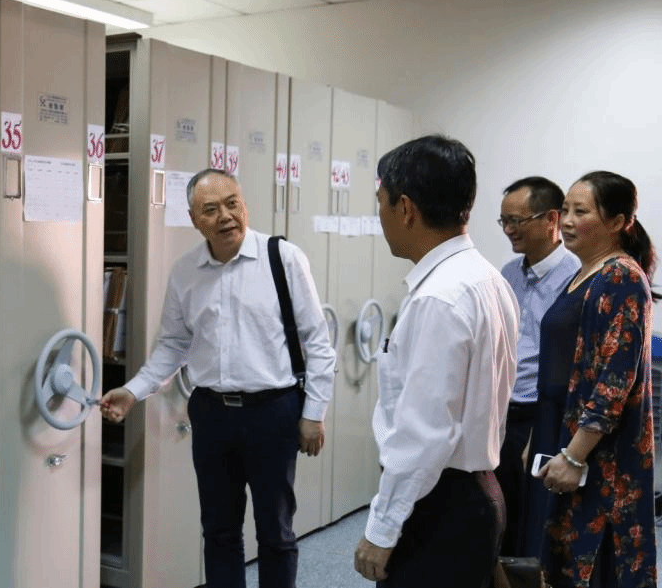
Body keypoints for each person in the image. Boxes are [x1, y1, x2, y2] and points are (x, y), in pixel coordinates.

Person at [99, 168, 336, 588]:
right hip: (212, 414)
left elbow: (317, 341)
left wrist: (313, 413)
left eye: (232, 204)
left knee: (276, 530)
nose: (225, 216)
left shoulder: (283, 258)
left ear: (245, 206)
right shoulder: (185, 272)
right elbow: (173, 345)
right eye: (210, 209)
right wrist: (133, 391)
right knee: (219, 530)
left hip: (274, 411)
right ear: (194, 220)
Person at [353, 135, 519, 587]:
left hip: (439, 503)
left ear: (405, 208)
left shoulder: (439, 298)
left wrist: (382, 528)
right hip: (475, 489)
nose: (381, 216)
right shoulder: (487, 278)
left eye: (381, 203)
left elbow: (424, 433)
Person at [530, 171, 658, 588]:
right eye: (565, 210)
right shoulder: (586, 272)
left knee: (595, 562)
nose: (567, 221)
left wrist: (574, 456)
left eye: (581, 212)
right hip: (561, 432)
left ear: (618, 222)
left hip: (597, 453)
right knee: (557, 560)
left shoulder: (621, 277)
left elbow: (614, 381)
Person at [496, 177, 580, 557]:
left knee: (536, 523)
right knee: (499, 515)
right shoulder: (507, 274)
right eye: (504, 221)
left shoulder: (576, 277)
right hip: (502, 411)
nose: (509, 230)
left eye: (517, 220)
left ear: (550, 219)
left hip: (544, 414)